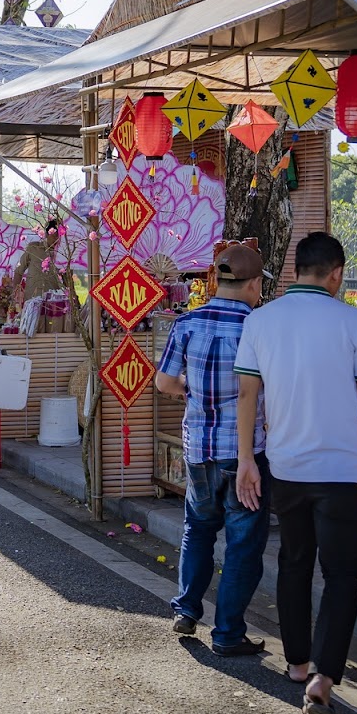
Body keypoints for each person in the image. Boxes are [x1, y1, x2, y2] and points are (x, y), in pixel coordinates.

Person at [235, 232, 357, 714]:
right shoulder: (353, 322)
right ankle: (323, 680)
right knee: (343, 574)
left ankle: (297, 663)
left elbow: (246, 398)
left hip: (286, 466)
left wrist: (245, 460)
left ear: (294, 270)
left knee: (295, 562)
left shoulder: (261, 320)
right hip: (343, 469)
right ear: (337, 273)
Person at [153, 244, 269, 656]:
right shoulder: (260, 327)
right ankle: (227, 634)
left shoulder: (187, 323)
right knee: (242, 542)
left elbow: (165, 384)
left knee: (198, 528)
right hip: (245, 455)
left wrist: (194, 392)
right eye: (260, 287)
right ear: (254, 284)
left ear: (217, 281)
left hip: (198, 449)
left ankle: (186, 610)